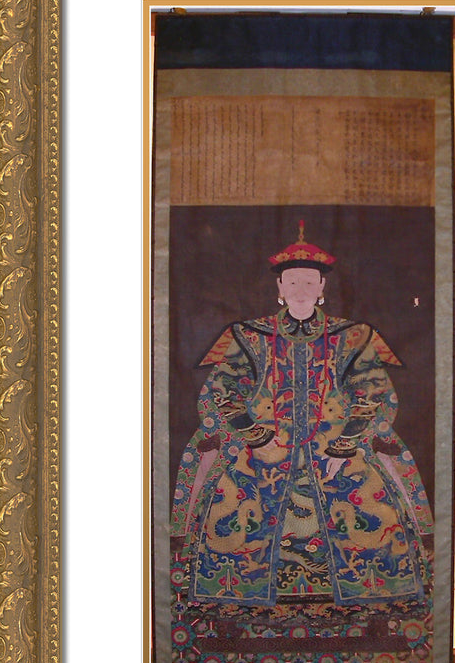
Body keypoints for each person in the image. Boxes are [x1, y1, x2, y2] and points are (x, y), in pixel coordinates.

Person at [170, 222, 433, 609]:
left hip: (338, 442)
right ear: (279, 287)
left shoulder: (352, 336)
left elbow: (373, 393)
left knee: (365, 490)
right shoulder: (250, 336)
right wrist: (254, 435)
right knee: (237, 494)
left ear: (322, 286)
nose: (300, 290)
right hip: (262, 441)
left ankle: (369, 589)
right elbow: (223, 391)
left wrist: (344, 445)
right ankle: (237, 590)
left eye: (309, 282)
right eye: (292, 282)